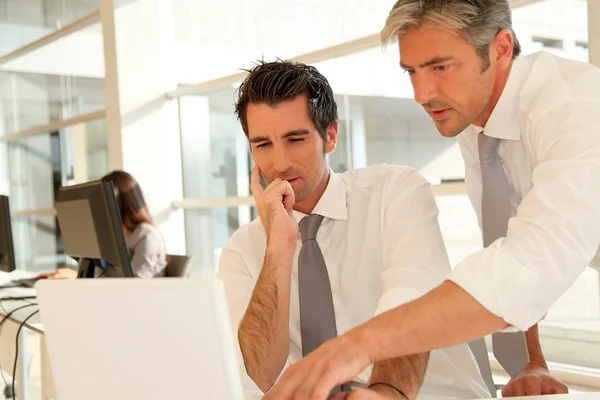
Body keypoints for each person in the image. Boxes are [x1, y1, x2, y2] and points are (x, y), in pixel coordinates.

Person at [265, 0, 600, 398]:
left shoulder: (573, 108)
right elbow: (509, 243)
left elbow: (533, 261)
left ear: (501, 48)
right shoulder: (475, 121)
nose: (422, 94)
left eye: (441, 66)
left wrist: (360, 344)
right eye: (412, 71)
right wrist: (531, 361)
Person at [217, 60, 491, 400]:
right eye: (263, 145)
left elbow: (408, 303)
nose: (280, 163)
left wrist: (383, 393)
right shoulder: (242, 250)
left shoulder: (395, 192)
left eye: (295, 139)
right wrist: (280, 246)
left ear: (330, 135)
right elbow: (258, 373)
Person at [44, 170, 167, 279]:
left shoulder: (147, 236)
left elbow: (135, 287)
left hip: (137, 303)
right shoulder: (114, 237)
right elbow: (106, 275)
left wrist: (77, 278)